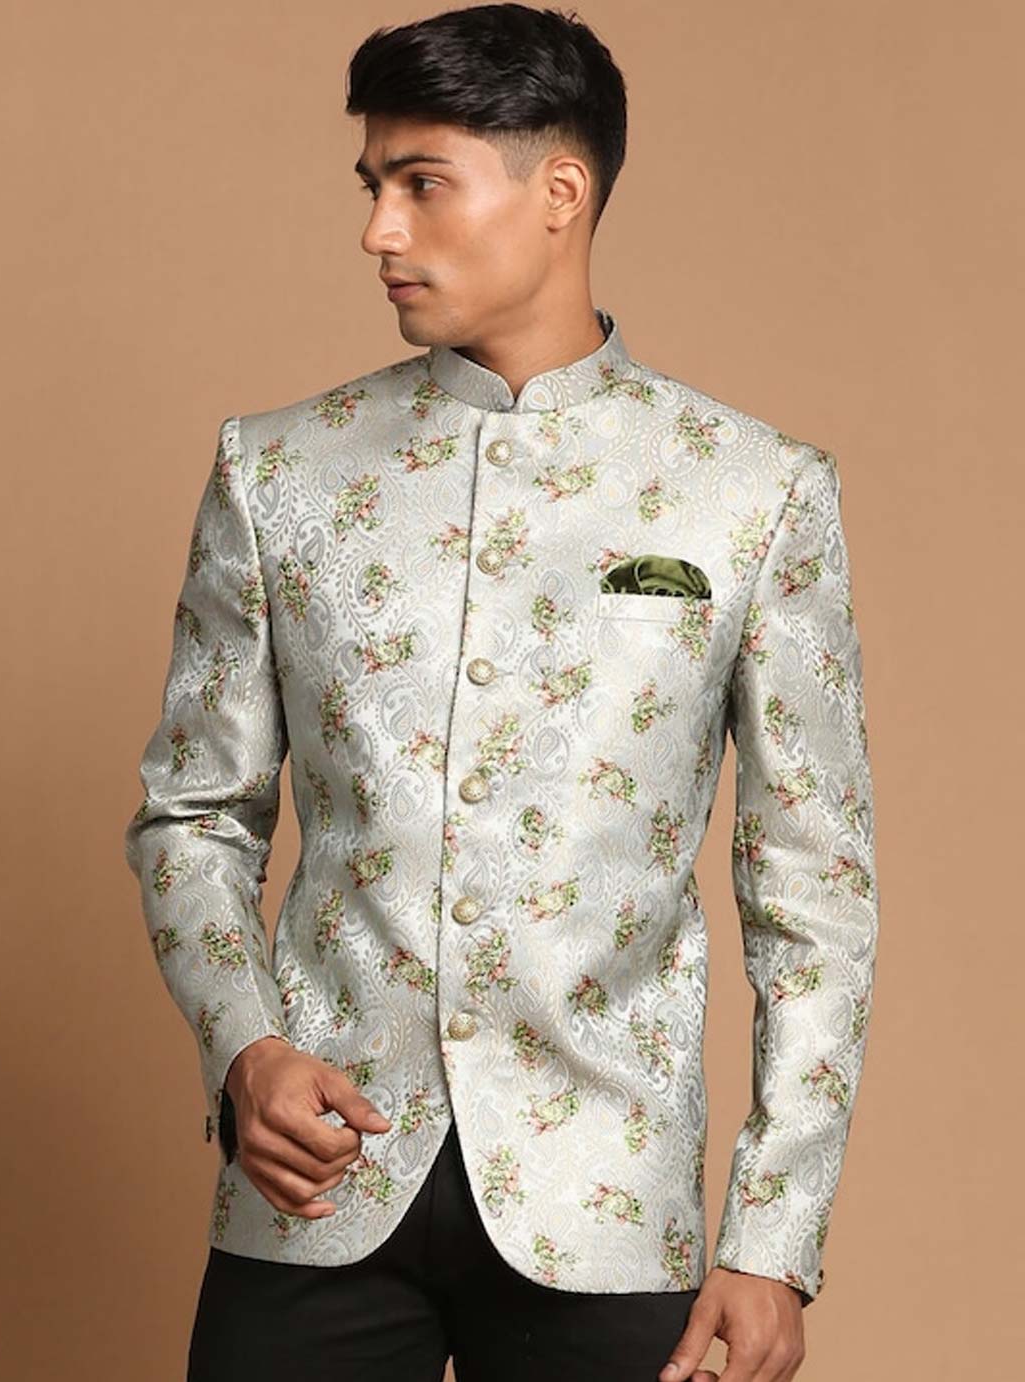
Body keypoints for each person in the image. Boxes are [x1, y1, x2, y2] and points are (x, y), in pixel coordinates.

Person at [124, 6, 879, 1380]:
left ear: (560, 192)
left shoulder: (755, 492)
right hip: (315, 1192)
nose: (380, 231)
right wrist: (247, 1050)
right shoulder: (277, 471)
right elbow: (191, 814)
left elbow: (813, 892)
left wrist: (774, 1235)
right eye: (373, 185)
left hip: (607, 1204)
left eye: (423, 183)